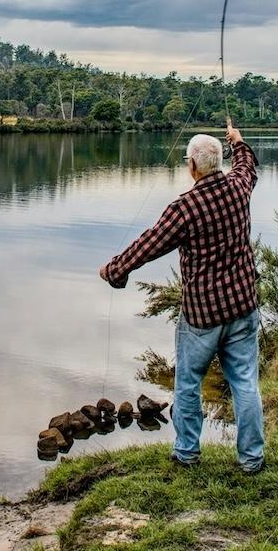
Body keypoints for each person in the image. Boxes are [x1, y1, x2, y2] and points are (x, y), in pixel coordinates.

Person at [99, 125, 264, 473]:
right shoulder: (238, 188)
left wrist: (116, 270)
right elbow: (248, 166)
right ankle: (252, 459)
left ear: (192, 167)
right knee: (245, 383)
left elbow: (150, 243)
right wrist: (239, 142)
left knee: (188, 384)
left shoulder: (186, 207)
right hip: (243, 306)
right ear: (218, 162)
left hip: (202, 315)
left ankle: (187, 453)